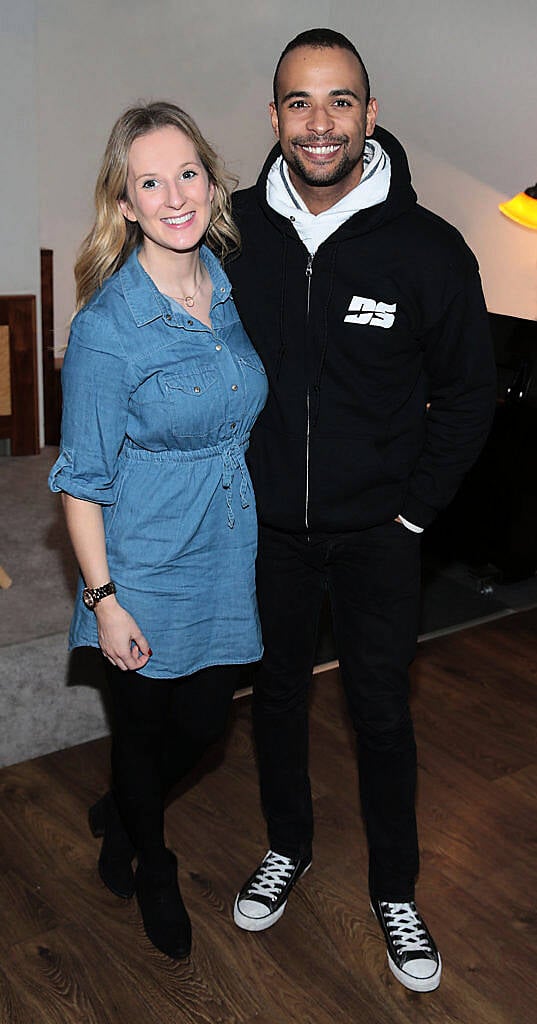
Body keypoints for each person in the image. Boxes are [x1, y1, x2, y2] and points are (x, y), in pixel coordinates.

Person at [226, 29, 496, 992]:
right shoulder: (233, 233)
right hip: (268, 534)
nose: (319, 122)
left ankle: (395, 890)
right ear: (273, 117)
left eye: (339, 101)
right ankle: (286, 847)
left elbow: (470, 394)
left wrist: (415, 514)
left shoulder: (428, 250)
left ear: (370, 114)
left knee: (380, 715)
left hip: (381, 537)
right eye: (299, 102)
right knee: (278, 703)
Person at [49, 102, 268, 961]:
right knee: (141, 734)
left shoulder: (223, 278)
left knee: (206, 722)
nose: (173, 194)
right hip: (139, 558)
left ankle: (124, 808)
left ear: (211, 183)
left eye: (187, 173)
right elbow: (80, 481)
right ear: (126, 203)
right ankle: (149, 856)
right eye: (150, 181)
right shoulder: (107, 329)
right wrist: (104, 602)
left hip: (223, 542)